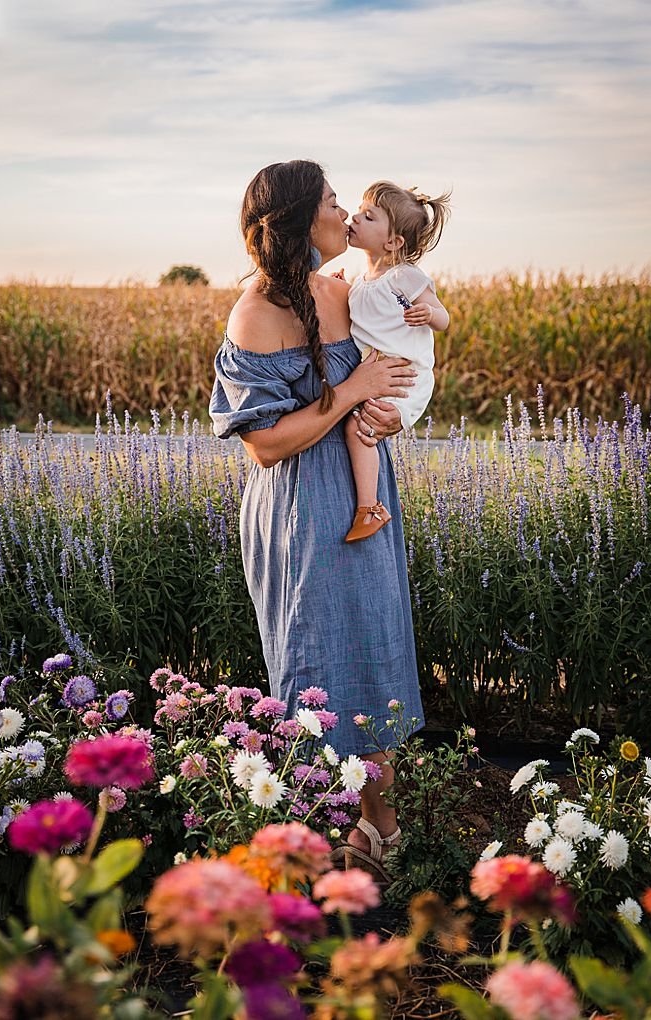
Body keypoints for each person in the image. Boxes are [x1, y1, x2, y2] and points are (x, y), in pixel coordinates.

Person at [209, 160, 425, 882]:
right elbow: (265, 445)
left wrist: (389, 408)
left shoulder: (344, 290)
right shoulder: (256, 313)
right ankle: (302, 841)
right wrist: (355, 387)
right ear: (304, 222)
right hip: (305, 508)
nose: (345, 211)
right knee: (316, 668)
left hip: (362, 498)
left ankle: (376, 831)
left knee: (374, 654)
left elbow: (401, 367)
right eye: (335, 201)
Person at [343, 181, 451, 542]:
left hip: (405, 377)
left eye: (368, 216)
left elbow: (444, 317)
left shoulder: (404, 277)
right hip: (379, 373)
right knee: (357, 428)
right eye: (359, 210)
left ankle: (369, 507)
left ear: (393, 242)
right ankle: (368, 506)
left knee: (360, 432)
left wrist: (427, 314)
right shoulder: (360, 282)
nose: (354, 217)